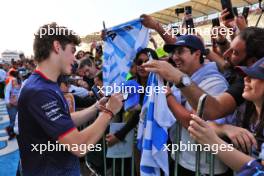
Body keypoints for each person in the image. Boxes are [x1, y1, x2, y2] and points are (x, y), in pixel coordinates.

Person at [17, 23, 123, 176]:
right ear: (57, 46)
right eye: (72, 51)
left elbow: (63, 121)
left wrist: (96, 108)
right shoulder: (40, 91)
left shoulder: (45, 84)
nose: (74, 59)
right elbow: (79, 146)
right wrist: (109, 111)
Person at [142, 27, 264, 121]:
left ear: (253, 62)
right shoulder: (238, 76)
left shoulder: (222, 82)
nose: (226, 54)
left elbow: (211, 112)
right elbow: (226, 65)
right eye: (173, 53)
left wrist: (176, 81)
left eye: (235, 52)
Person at [162, 35, 230, 175]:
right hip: (181, 159)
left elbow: (194, 123)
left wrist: (168, 97)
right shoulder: (181, 79)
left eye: (180, 51)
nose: (175, 57)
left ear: (197, 53)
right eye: (173, 52)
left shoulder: (215, 82)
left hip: (205, 167)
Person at [188, 57, 264, 175]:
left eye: (254, 76)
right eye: (246, 74)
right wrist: (224, 129)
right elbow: (209, 124)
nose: (246, 79)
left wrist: (212, 141)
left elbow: (259, 170)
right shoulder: (244, 109)